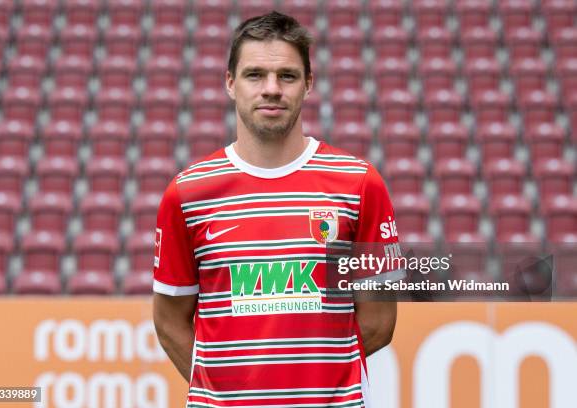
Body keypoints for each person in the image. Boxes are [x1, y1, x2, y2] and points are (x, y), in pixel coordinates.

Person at [153, 11, 404, 407]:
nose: (271, 88)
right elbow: (169, 321)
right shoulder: (187, 194)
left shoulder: (359, 184)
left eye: (287, 76)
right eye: (255, 75)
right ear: (230, 83)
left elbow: (378, 323)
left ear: (309, 84)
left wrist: (312, 387)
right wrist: (230, 391)